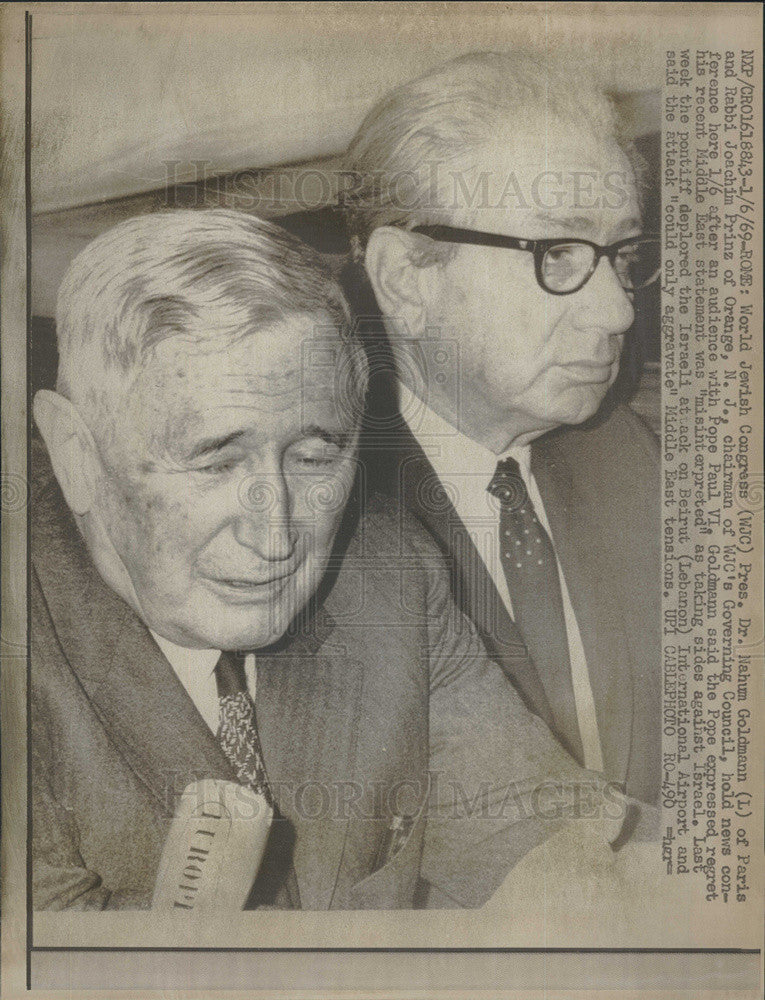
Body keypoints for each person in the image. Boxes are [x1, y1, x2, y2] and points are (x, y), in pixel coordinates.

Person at [32, 208, 635, 912]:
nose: (275, 537)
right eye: (215, 463)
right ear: (75, 451)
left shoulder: (383, 577)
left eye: (315, 458)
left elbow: (542, 828)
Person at [342, 50, 662, 804]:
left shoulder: (623, 455)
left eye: (620, 256)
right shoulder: (324, 516)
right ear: (406, 280)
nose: (617, 311)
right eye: (557, 252)